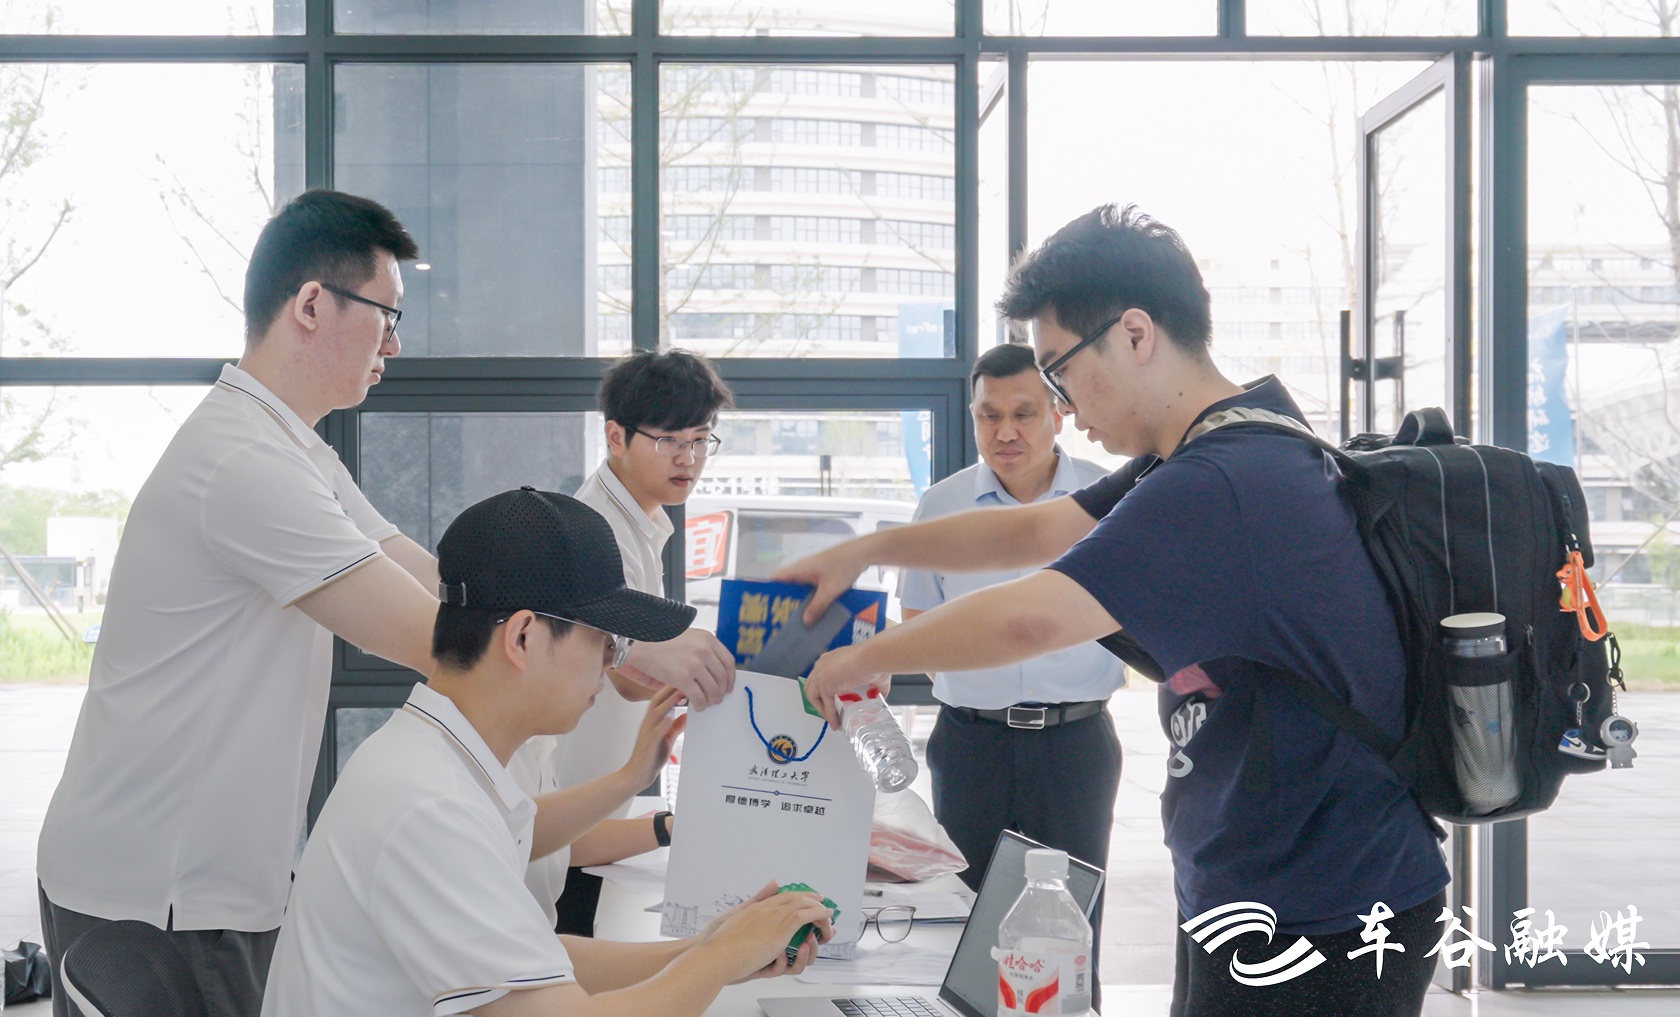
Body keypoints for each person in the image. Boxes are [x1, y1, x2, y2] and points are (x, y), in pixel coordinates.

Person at [776, 204, 1449, 1017]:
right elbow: (1033, 530)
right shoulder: (1217, 445)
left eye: (1058, 373)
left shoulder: (1222, 480)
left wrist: (866, 657)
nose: (1063, 404)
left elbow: (1034, 617)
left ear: (1134, 334)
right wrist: (870, 548)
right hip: (1262, 875)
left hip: (1325, 904)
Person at [34, 190, 446, 1016]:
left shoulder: (292, 449)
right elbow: (433, 638)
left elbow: (423, 576)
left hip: (195, 885)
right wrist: (610, 650)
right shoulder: (243, 463)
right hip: (158, 895)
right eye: (387, 315)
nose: (394, 344)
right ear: (311, 305)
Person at [261, 487, 833, 1017]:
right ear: (524, 637)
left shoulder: (441, 761)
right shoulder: (432, 805)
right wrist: (721, 957)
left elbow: (544, 964)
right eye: (602, 641)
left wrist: (713, 946)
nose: (610, 664)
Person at [898, 343, 1124, 1007]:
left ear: (1058, 411)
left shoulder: (1110, 498)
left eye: (1023, 413)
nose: (1005, 432)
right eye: (988, 415)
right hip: (972, 743)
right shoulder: (943, 505)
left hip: (1076, 743)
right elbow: (918, 623)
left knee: (1072, 928)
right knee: (970, 925)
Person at [516, 349, 738, 936]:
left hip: (594, 816)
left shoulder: (637, 520)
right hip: (567, 823)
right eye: (670, 441)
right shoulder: (601, 532)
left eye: (701, 440)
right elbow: (633, 678)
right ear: (616, 436)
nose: (688, 459)